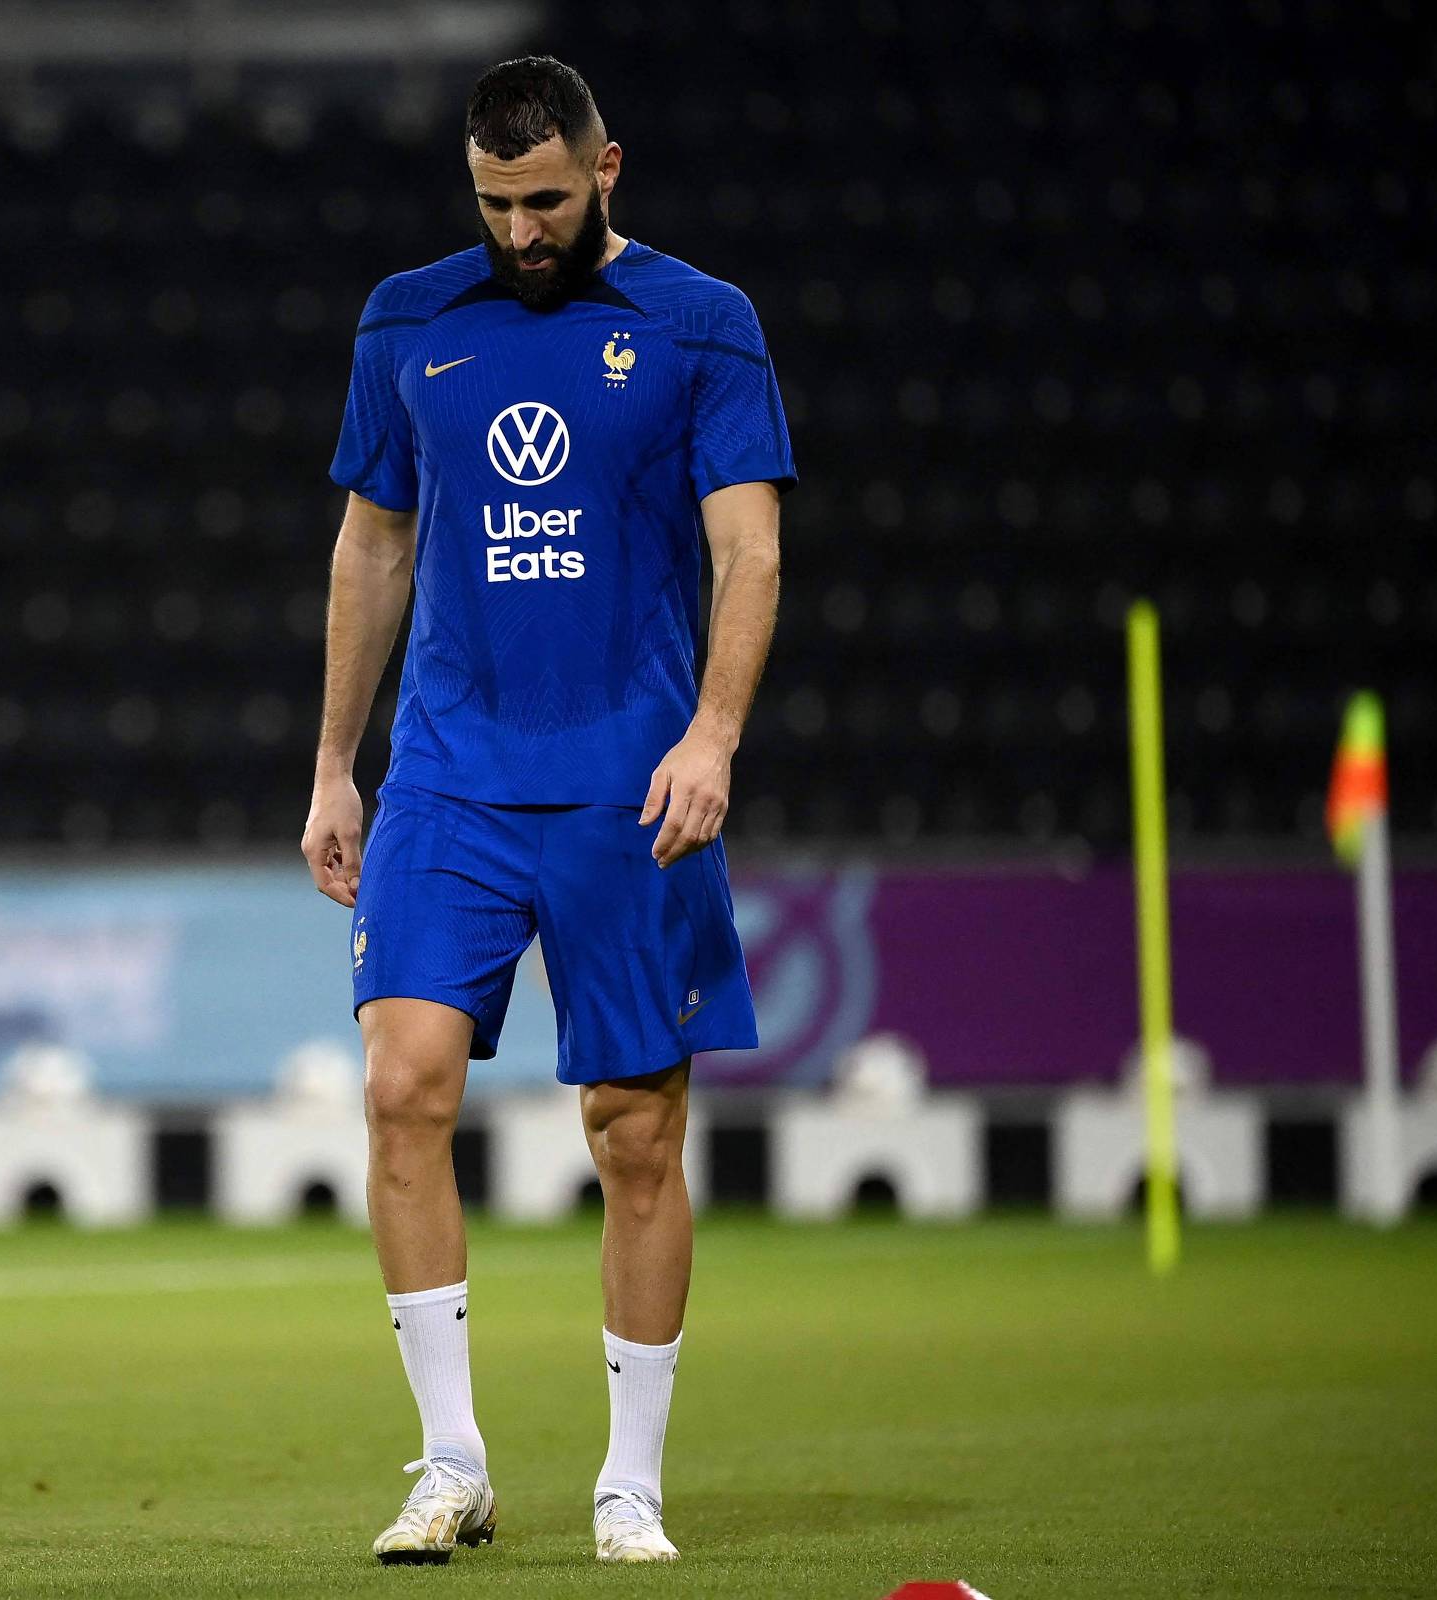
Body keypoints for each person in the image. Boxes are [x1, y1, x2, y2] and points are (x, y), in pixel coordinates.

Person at [300, 54, 796, 1566]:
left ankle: (628, 1483)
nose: (522, 231)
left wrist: (714, 734)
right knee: (402, 1089)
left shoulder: (705, 326)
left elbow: (751, 552)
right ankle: (451, 1462)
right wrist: (336, 760)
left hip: (627, 781)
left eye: (547, 200)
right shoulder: (408, 319)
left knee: (633, 1130)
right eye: (496, 204)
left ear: (609, 169)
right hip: (449, 771)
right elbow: (371, 548)